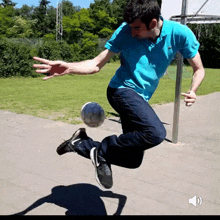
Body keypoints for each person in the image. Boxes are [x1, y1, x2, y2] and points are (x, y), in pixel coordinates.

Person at [33, 0, 205, 189]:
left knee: (132, 160)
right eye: (131, 27)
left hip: (141, 98)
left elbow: (199, 69)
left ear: (153, 23)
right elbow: (97, 64)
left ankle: (82, 144)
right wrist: (69, 67)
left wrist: (193, 90)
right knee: (156, 133)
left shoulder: (180, 34)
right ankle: (102, 150)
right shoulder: (125, 31)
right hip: (120, 90)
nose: (133, 32)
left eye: (137, 28)